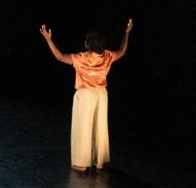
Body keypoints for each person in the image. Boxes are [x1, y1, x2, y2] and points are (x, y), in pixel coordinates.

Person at [40, 19, 132, 171]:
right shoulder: (108, 56)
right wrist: (127, 34)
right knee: (99, 127)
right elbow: (122, 51)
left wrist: (48, 40)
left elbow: (60, 56)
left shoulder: (81, 58)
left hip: (86, 95)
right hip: (102, 95)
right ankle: (99, 161)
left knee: (83, 127)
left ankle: (82, 163)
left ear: (88, 44)